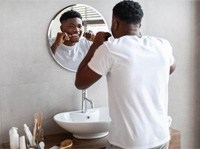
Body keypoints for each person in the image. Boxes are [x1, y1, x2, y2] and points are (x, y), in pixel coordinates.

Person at [75, 0, 176, 149]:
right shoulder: (162, 45)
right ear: (139, 24)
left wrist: (95, 45)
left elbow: (80, 82)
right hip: (161, 137)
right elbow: (171, 68)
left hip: (128, 143)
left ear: (115, 22)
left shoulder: (110, 49)